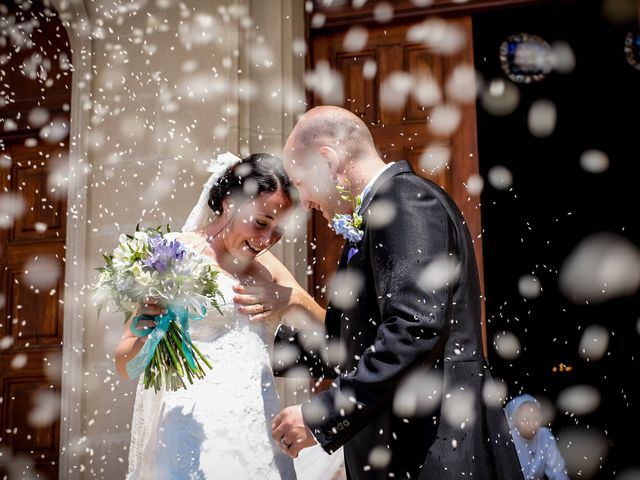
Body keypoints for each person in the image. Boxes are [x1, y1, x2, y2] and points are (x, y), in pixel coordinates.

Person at [269, 106, 524, 479]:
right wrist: (252, 340)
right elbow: (350, 345)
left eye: (301, 181)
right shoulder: (381, 212)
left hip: (431, 455)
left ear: (328, 160)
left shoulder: (404, 202)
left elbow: (414, 329)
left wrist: (323, 415)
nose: (304, 201)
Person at [115, 152, 325, 479]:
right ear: (230, 203)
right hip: (190, 428)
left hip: (255, 425)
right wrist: (150, 329)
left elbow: (331, 329)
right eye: (260, 223)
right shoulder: (174, 254)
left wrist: (291, 298)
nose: (266, 241)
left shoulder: (267, 270)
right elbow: (125, 364)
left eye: (278, 230)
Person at [505, 394, 569, 480]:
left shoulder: (545, 435)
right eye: (525, 420)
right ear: (514, 420)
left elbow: (558, 471)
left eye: (535, 419)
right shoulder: (507, 439)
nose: (531, 425)